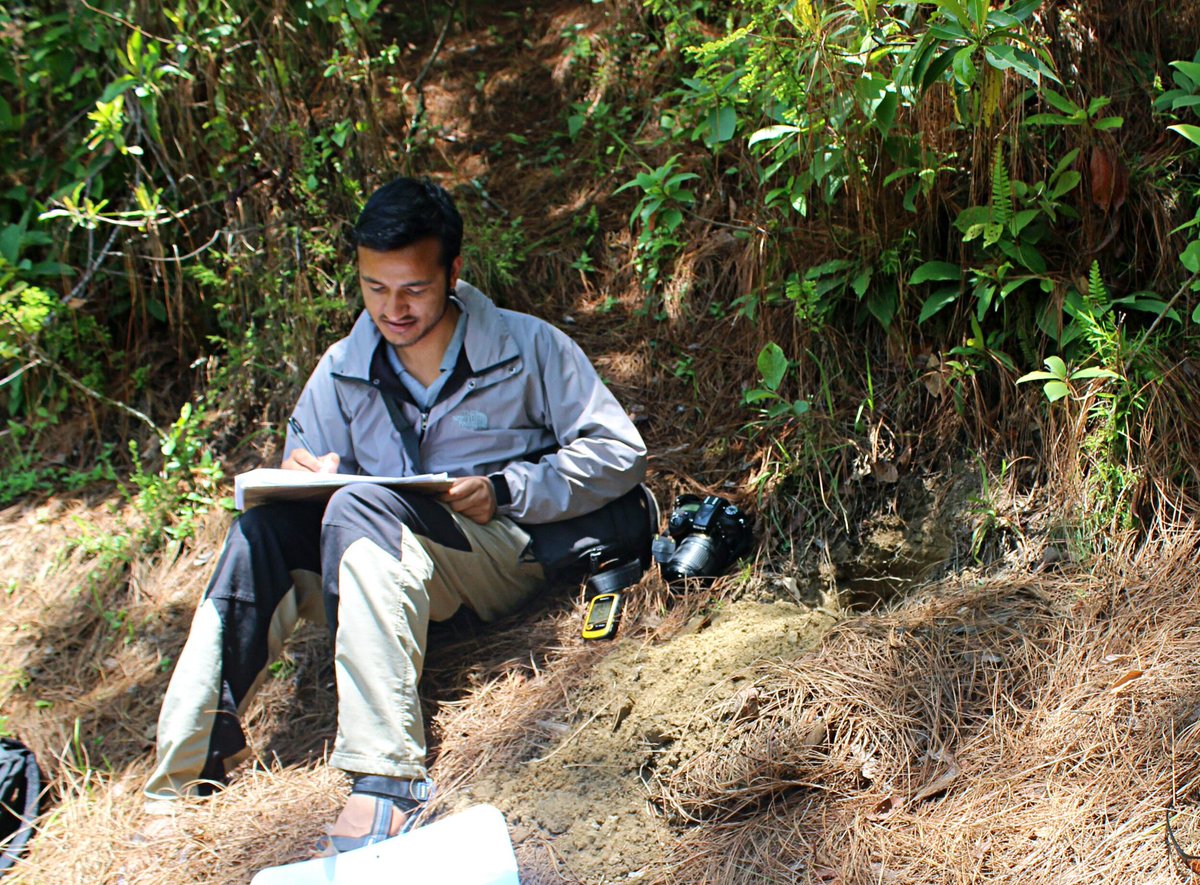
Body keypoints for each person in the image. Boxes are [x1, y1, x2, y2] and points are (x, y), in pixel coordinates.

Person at [144, 177, 651, 852]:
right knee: (261, 530)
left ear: (454, 270)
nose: (394, 307)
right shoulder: (342, 368)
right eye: (374, 287)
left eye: (412, 287)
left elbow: (620, 453)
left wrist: (508, 487)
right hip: (379, 565)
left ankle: (387, 780)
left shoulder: (531, 347)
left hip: (497, 554)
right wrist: (301, 473)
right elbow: (305, 461)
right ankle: (182, 772)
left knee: (361, 505)